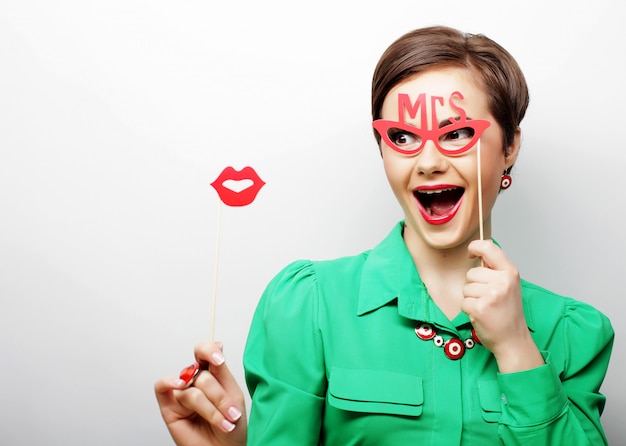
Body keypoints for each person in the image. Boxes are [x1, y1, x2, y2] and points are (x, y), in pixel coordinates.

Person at [155, 25, 614, 445]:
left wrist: (517, 348)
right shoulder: (309, 305)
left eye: (455, 135)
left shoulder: (573, 331)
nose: (429, 161)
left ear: (510, 145)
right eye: (402, 136)